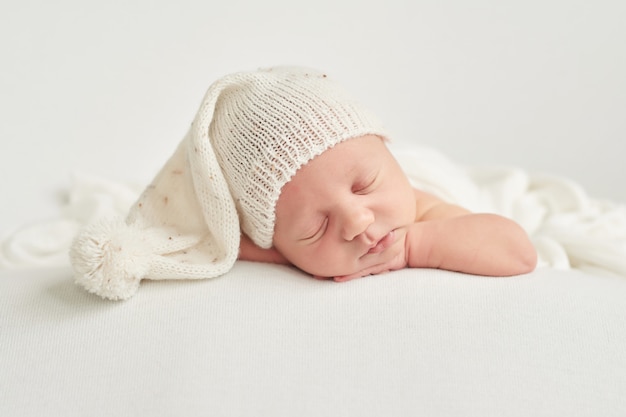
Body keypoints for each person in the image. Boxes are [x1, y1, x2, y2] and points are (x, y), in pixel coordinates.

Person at [70, 66, 536, 301]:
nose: (357, 220)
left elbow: (517, 251)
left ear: (386, 152)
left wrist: (414, 247)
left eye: (364, 184)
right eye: (314, 229)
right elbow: (215, 244)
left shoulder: (420, 204)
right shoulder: (267, 238)